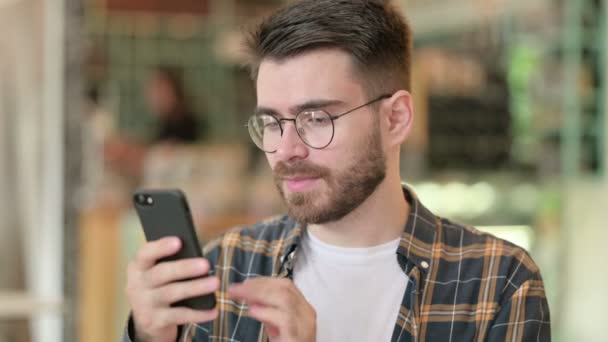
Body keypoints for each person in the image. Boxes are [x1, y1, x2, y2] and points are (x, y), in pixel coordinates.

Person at [123, 1, 551, 341]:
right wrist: (149, 337)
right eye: (271, 122)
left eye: (315, 118)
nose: (286, 150)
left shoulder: (497, 282)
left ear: (396, 118)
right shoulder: (226, 268)